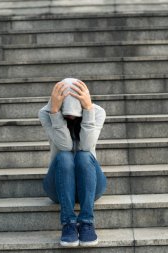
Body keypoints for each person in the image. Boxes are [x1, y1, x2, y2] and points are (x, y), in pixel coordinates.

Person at [38, 77, 107, 247]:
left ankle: (87, 223)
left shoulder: (97, 112)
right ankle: (68, 224)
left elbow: (86, 146)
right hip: (58, 186)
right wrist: (55, 112)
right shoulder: (46, 113)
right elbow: (65, 145)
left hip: (91, 184)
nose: (70, 116)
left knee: (83, 155)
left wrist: (88, 110)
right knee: (64, 156)